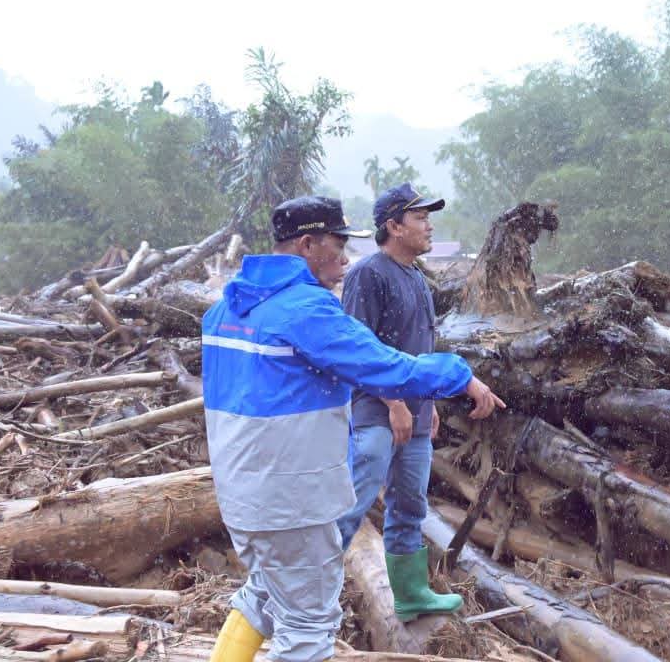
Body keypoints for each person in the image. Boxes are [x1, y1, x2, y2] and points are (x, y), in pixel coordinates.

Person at [202, 195, 504, 662]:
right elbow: (386, 368)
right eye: (337, 245)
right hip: (292, 500)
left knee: (262, 593)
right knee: (307, 629)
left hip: (243, 495)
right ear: (306, 244)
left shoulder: (227, 308)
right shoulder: (304, 310)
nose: (344, 258)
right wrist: (459, 375)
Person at [336, 183, 464, 622]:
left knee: (410, 504)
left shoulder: (417, 278)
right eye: (420, 218)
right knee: (353, 500)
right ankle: (308, 586)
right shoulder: (367, 274)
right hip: (376, 412)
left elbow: (423, 351)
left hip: (416, 414)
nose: (429, 226)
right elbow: (359, 347)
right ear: (393, 225)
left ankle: (411, 594)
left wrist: (430, 404)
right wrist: (394, 404)